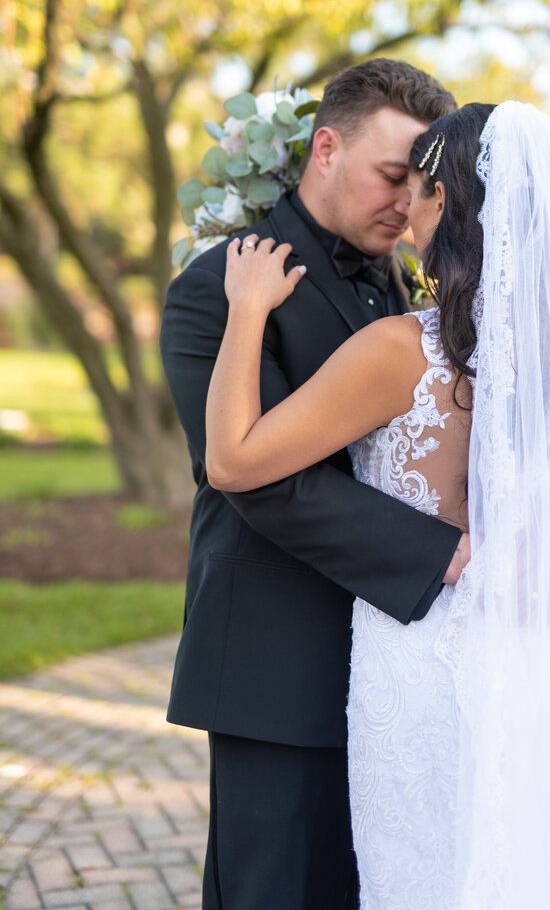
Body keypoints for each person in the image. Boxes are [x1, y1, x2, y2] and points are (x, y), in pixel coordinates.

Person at [206, 99, 550, 909]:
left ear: (455, 204)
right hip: (535, 651)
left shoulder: (403, 350)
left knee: (422, 873)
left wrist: (246, 309)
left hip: (423, 655)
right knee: (516, 871)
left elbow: (232, 459)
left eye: (420, 192)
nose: (406, 212)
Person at [158, 58, 470, 910]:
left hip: (396, 665)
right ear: (325, 147)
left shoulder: (406, 281)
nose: (408, 204)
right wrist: (442, 553)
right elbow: (258, 484)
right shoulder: (218, 288)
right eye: (392, 176)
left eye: (421, 185)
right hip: (277, 659)